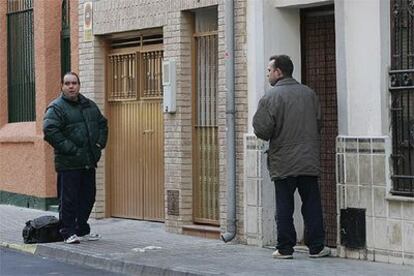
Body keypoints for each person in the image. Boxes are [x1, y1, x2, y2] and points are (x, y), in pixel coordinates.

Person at [253, 55, 330, 259]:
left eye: (269, 70)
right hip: (308, 159)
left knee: (285, 205)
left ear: (278, 72)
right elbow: (319, 123)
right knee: (312, 203)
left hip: (283, 162)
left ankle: (285, 248)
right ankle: (317, 246)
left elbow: (262, 130)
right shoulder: (309, 94)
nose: (268, 74)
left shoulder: (270, 97)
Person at [43, 72, 108, 244]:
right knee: (69, 199)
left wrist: (99, 144)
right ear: (62, 86)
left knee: (88, 196)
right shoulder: (56, 107)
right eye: (67, 83)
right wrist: (70, 149)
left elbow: (102, 124)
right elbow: (50, 131)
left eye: (74, 83)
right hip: (69, 163)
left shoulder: (89, 105)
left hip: (88, 161)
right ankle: (67, 231)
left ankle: (81, 229)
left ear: (79, 85)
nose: (71, 86)